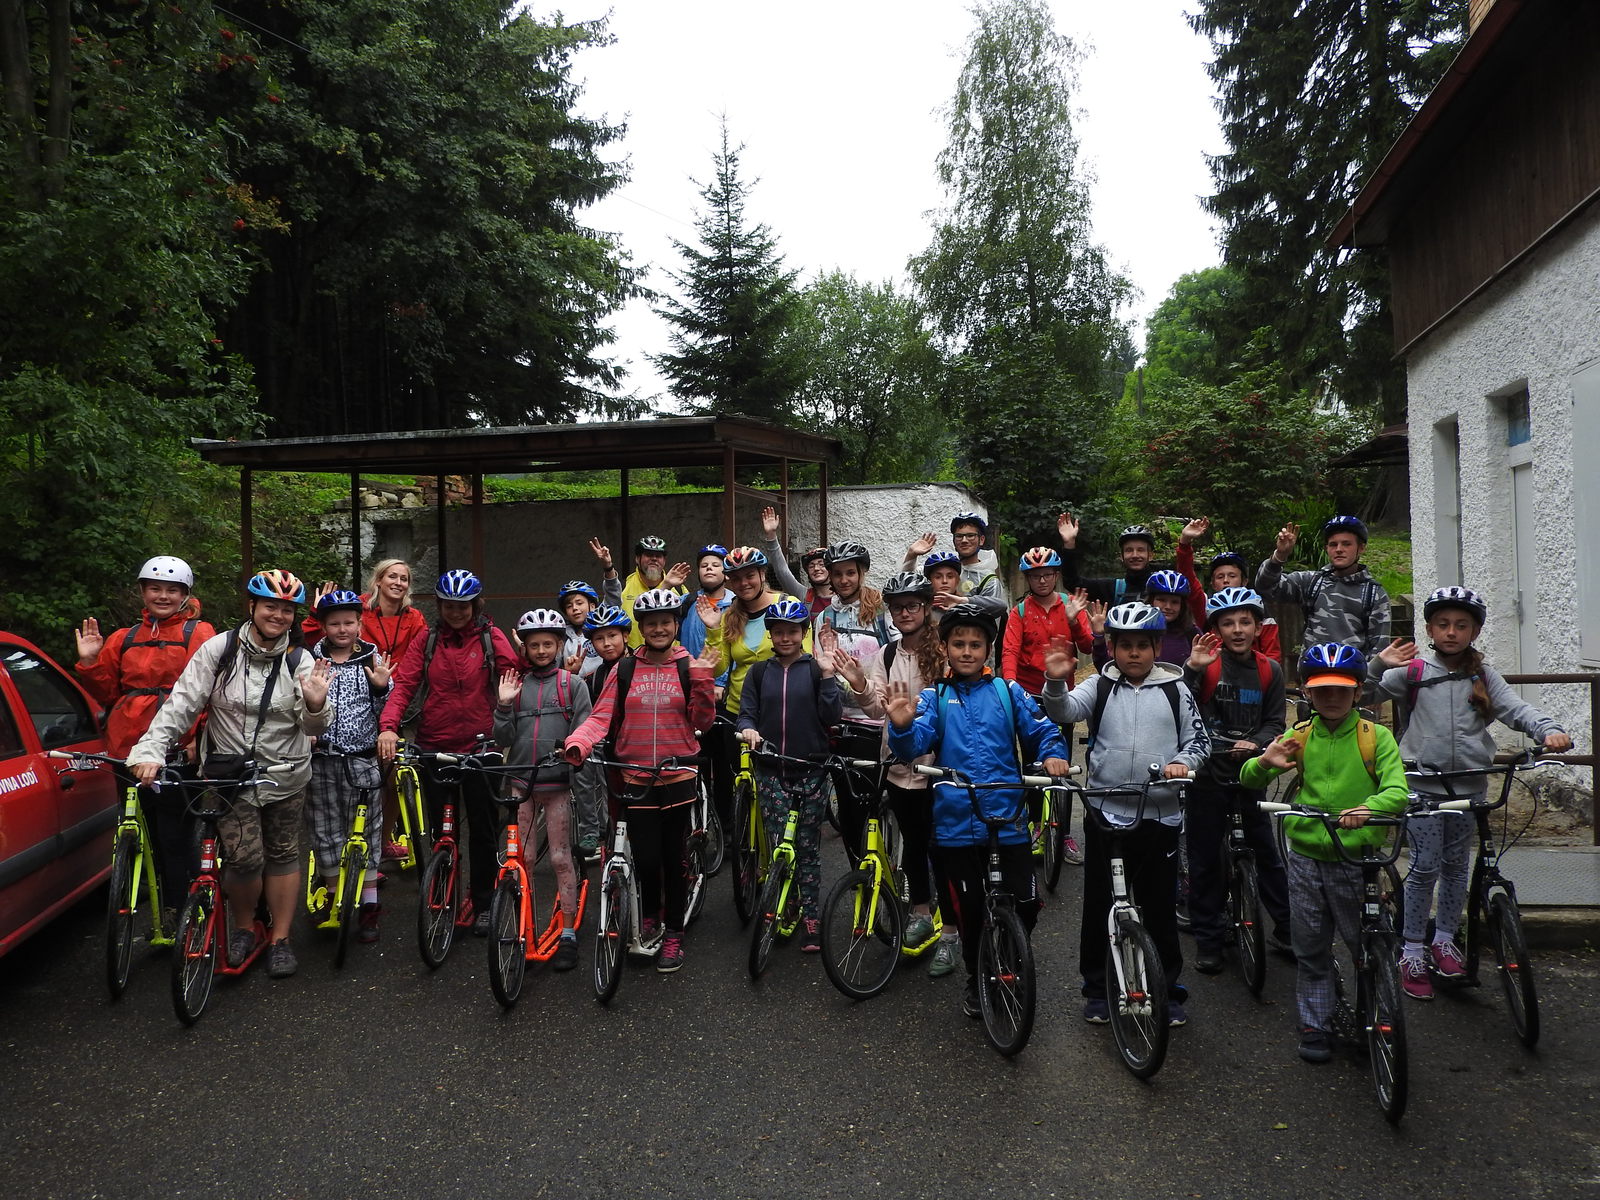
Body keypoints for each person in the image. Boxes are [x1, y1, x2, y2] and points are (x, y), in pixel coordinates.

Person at [1367, 587, 1571, 1000]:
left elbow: (1516, 709)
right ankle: (1411, 950)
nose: (1451, 632)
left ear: (1474, 631)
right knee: (1424, 868)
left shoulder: (1484, 676)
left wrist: (1548, 729)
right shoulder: (1414, 671)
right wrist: (1377, 664)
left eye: (1461, 625)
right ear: (1429, 629)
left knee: (1457, 868)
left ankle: (1444, 940)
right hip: (1422, 789)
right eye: (1443, 624)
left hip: (1469, 790)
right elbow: (1362, 692)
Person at [128, 569, 332, 980]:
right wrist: (150, 750)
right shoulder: (219, 650)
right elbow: (182, 703)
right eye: (270, 606)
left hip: (285, 772)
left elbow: (314, 728)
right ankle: (244, 928)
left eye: (287, 610)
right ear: (252, 606)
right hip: (227, 776)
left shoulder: (301, 659)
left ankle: (281, 939)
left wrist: (315, 704)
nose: (278, 616)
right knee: (243, 857)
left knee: (283, 853)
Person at [885, 603, 1070, 1018]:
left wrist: (1052, 754)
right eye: (959, 644)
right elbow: (914, 746)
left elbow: (1041, 730)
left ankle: (1011, 954)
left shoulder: (1008, 692)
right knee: (969, 913)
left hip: (1008, 819)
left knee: (1026, 902)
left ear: (988, 649)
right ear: (946, 648)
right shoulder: (935, 696)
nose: (967, 651)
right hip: (957, 824)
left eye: (975, 644)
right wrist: (901, 726)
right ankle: (978, 977)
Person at [1041, 601, 1210, 1028]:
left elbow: (1199, 741)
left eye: (1143, 645)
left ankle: (1168, 991)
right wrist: (1055, 681)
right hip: (1106, 814)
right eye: (1125, 645)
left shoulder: (1176, 689)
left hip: (1160, 815)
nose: (1134, 653)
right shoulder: (1100, 684)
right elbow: (1063, 712)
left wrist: (1183, 764)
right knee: (1100, 905)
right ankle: (1098, 989)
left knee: (1159, 908)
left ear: (1157, 647)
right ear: (1112, 647)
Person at [1239, 643, 1409, 1063]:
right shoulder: (1300, 735)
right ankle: (1315, 1021)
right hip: (1306, 857)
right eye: (1322, 690)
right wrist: (1265, 762)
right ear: (1308, 694)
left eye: (1341, 689)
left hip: (1357, 860)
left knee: (1364, 944)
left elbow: (1398, 790)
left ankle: (1376, 1013)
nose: (1332, 697)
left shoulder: (1376, 737)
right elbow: (1248, 780)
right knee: (1311, 945)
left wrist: (1369, 808)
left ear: (1357, 692)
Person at [562, 589, 717, 974]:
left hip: (678, 774)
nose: (659, 629)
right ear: (641, 629)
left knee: (673, 859)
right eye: (651, 624)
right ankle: (650, 917)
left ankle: (674, 932)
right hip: (635, 774)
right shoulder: (626, 669)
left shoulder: (687, 665)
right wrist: (578, 742)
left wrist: (702, 680)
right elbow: (601, 716)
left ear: (675, 625)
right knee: (646, 857)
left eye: (665, 622)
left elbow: (702, 722)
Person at [378, 569, 518, 935]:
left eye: (463, 606)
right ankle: (443, 895)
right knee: (443, 829)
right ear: (440, 606)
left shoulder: (491, 637)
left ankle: (484, 901)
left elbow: (513, 678)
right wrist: (389, 726)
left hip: (482, 745)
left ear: (475, 605)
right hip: (435, 744)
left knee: (484, 830)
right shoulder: (427, 640)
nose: (456, 612)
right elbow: (405, 685)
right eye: (449, 606)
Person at [75, 555, 216, 912]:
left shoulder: (199, 633)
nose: (163, 596)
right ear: (142, 592)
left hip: (177, 745)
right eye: (155, 589)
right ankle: (146, 899)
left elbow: (210, 688)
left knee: (174, 833)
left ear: (185, 594)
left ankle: (181, 908)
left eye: (172, 590)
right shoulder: (123, 638)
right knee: (138, 826)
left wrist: (197, 735)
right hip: (127, 745)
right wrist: (90, 662)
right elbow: (108, 693)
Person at [834, 572, 957, 976]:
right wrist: (859, 684)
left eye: (912, 606)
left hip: (938, 767)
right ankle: (920, 912)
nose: (904, 613)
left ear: (927, 608)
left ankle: (952, 934)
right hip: (898, 768)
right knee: (915, 846)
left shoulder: (945, 650)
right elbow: (875, 709)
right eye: (897, 607)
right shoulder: (886, 655)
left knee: (943, 851)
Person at [1180, 588, 1292, 973]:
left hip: (1250, 775)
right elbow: (1180, 706)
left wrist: (1257, 743)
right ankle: (1209, 939)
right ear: (1216, 630)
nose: (1238, 629)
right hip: (1207, 776)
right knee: (1205, 860)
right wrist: (1193, 668)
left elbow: (1275, 721)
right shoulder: (1207, 664)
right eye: (1228, 623)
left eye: (1246, 622)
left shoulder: (1269, 670)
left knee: (1267, 855)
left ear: (1258, 627)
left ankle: (1287, 929)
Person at [303, 560, 428, 863]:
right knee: (336, 802)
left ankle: (380, 843)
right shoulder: (360, 609)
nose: (398, 582)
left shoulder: (413, 617)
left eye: (404, 578)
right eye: (392, 576)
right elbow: (316, 637)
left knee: (392, 772)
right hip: (357, 688)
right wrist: (315, 613)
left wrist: (390, 684)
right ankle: (338, 860)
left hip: (390, 690)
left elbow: (422, 650)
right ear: (378, 580)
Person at [737, 597, 843, 953]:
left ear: (803, 633)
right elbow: (746, 712)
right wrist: (748, 729)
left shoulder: (814, 669)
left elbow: (832, 716)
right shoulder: (759, 672)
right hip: (771, 771)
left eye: (792, 632)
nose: (785, 638)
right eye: (779, 632)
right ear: (770, 634)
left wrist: (828, 675)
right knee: (780, 845)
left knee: (807, 848)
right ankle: (787, 902)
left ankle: (811, 915)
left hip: (811, 771)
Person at [495, 608, 591, 971]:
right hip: (520, 784)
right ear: (524, 647)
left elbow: (584, 731)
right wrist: (504, 705)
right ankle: (526, 928)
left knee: (560, 858)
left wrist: (572, 751)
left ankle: (567, 933)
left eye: (548, 644)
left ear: (559, 645)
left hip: (557, 785)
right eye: (534, 645)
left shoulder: (572, 685)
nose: (540, 651)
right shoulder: (516, 684)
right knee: (523, 860)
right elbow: (503, 737)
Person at [700, 546, 811, 836]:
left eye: (749, 575)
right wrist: (713, 630)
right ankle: (743, 846)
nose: (743, 583)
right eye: (736, 578)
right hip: (740, 712)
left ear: (762, 574)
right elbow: (719, 667)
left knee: (777, 788)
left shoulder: (785, 604)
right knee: (741, 783)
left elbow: (805, 657)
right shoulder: (729, 615)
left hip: (781, 710)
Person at [304, 590, 391, 944]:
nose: (343, 629)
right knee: (325, 826)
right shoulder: (312, 659)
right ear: (323, 626)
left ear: (359, 623)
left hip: (363, 757)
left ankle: (370, 902)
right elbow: (300, 702)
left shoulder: (371, 658)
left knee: (367, 828)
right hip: (323, 759)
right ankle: (334, 894)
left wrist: (381, 688)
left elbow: (387, 707)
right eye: (335, 623)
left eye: (349, 623)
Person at [999, 547, 1094, 863]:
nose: (1041, 580)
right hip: (1029, 694)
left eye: (1047, 575)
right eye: (1035, 576)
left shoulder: (1070, 605)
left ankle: (1064, 834)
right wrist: (1010, 685)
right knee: (1033, 765)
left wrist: (1075, 622)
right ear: (1027, 579)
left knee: (1061, 763)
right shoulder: (1020, 611)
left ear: (1056, 575)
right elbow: (1010, 651)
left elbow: (1088, 645)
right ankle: (1035, 825)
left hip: (1061, 695)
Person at [1255, 515, 1390, 659]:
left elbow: (1379, 650)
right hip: (1312, 668)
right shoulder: (1311, 581)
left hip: (1354, 670)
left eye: (1346, 544)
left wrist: (1368, 672)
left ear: (1361, 548)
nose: (1339, 549)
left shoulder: (1374, 593)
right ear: (1326, 548)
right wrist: (1279, 556)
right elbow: (1266, 587)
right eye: (1333, 544)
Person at [1192, 544, 1282, 663]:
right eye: (1220, 577)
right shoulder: (1206, 610)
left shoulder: (1260, 611)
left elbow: (1273, 655)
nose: (1226, 580)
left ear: (1244, 581)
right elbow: (1191, 585)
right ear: (1213, 584)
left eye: (1232, 576)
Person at [901, 511, 1007, 606]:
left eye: (970, 535)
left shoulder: (988, 580)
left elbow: (994, 611)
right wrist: (911, 555)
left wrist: (961, 604)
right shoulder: (944, 566)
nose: (964, 540)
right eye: (959, 536)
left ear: (981, 540)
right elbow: (908, 583)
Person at [1057, 513, 1160, 605]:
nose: (1135, 555)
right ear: (1121, 556)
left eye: (1141, 550)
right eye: (1129, 550)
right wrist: (1069, 544)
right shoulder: (1112, 588)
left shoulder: (1163, 586)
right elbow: (1073, 583)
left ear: (1151, 555)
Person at [619, 535, 691, 648]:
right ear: (637, 559)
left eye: (658, 556)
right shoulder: (624, 588)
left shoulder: (679, 589)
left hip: (671, 656)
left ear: (664, 561)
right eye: (648, 555)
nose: (654, 559)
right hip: (634, 656)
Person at [758, 506, 831, 614]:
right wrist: (771, 535)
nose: (816, 568)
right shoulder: (805, 596)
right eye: (811, 566)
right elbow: (782, 572)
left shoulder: (843, 596)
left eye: (821, 564)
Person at [677, 543, 732, 659]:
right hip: (690, 668)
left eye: (715, 565)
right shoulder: (686, 601)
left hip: (724, 670)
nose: (709, 568)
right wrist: (666, 585)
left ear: (727, 574)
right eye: (704, 566)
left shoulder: (736, 604)